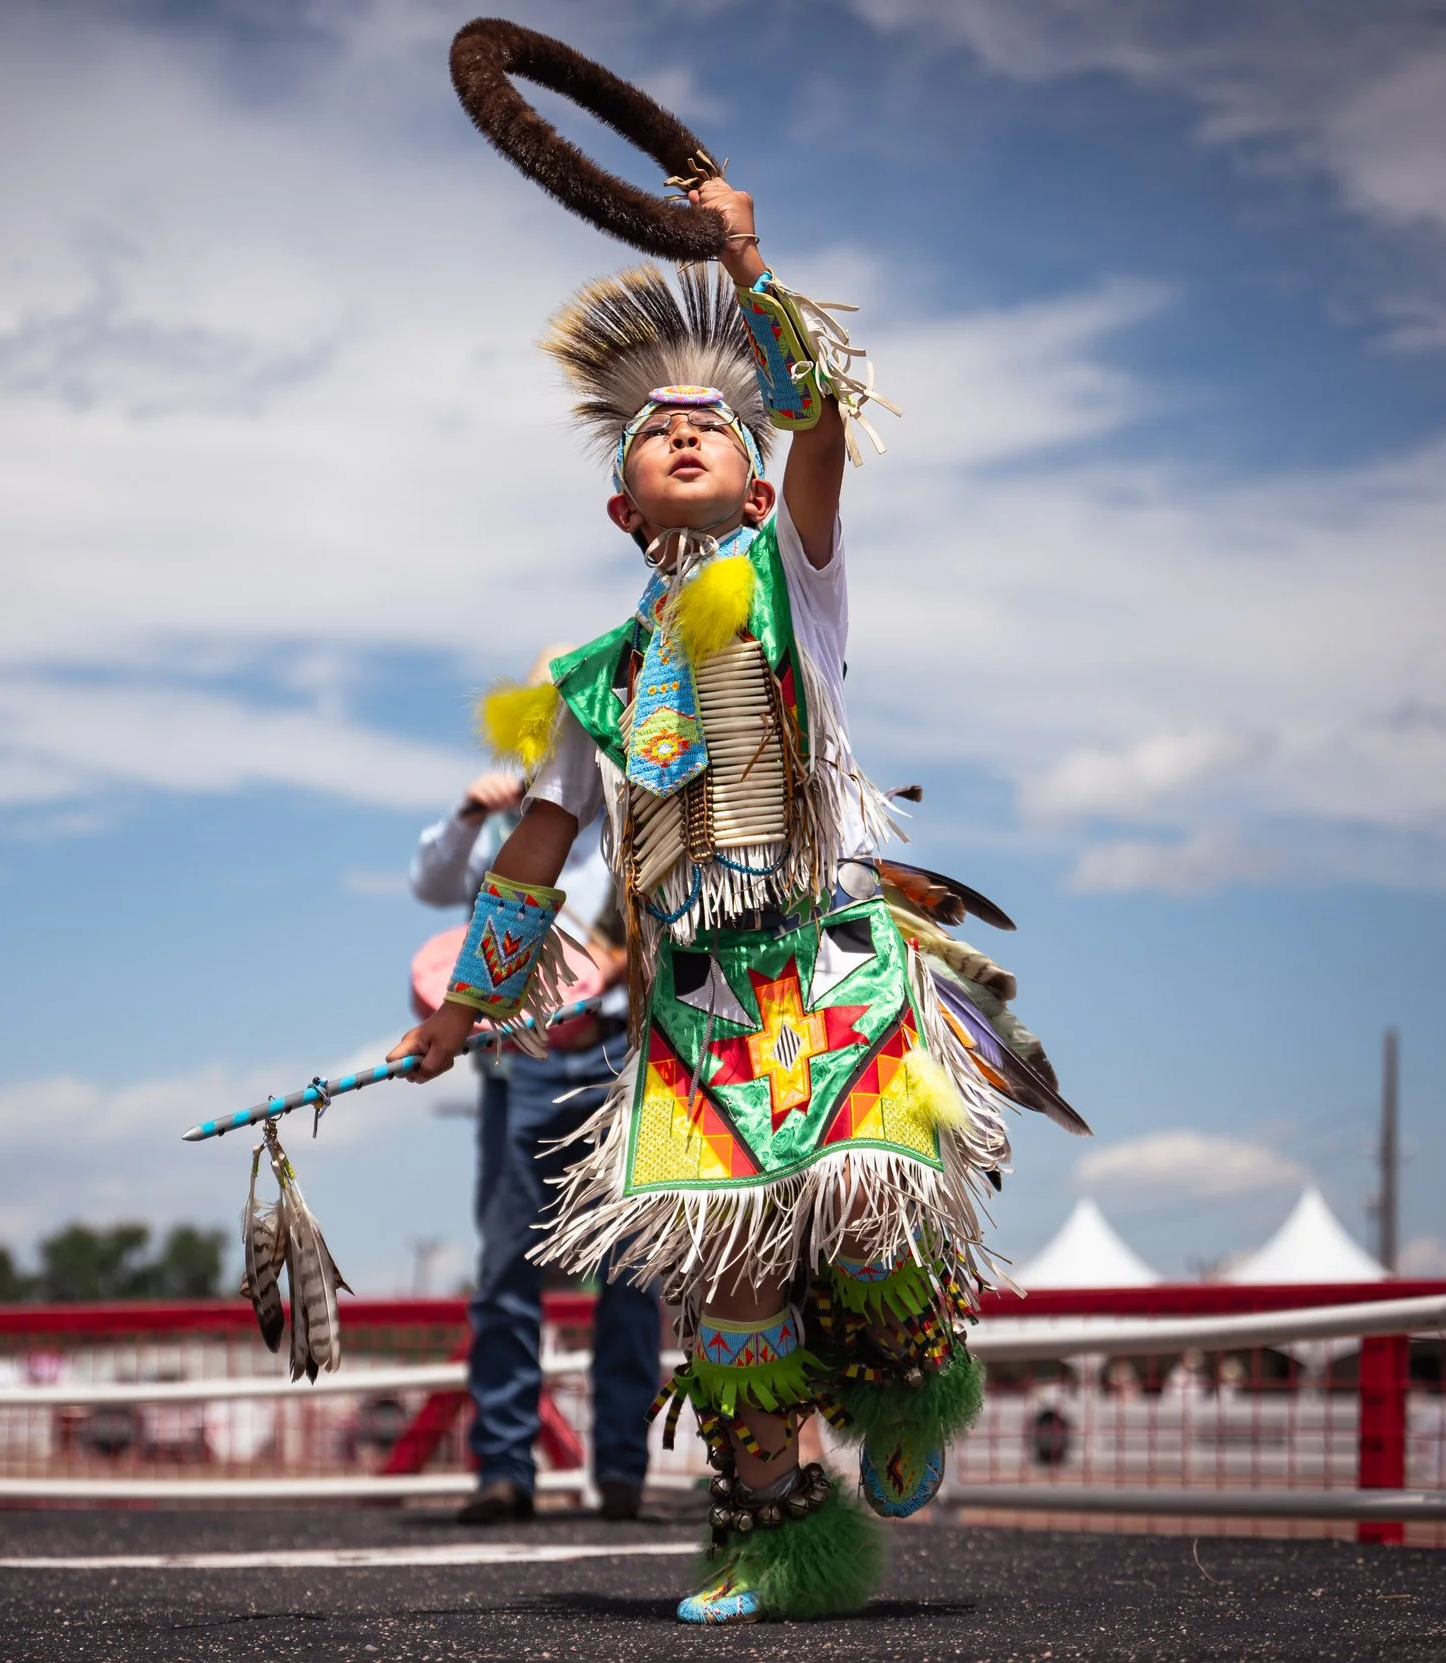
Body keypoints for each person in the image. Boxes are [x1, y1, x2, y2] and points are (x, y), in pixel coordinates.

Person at [390, 174, 1077, 1623]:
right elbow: (533, 850)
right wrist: (462, 1010)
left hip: (826, 967)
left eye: (714, 422)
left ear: (760, 486)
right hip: (694, 1007)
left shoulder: (796, 579)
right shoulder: (589, 681)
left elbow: (821, 407)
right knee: (735, 1292)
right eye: (655, 429)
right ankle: (775, 1536)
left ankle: (908, 1385)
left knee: (874, 1227)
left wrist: (745, 258)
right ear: (619, 495)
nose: (687, 428)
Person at [410, 712, 664, 1524]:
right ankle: (505, 1469)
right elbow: (432, 884)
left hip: (616, 1049)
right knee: (507, 1270)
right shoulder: (513, 825)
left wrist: (625, 957)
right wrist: (470, 814)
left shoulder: (643, 821)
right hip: (519, 1057)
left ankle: (620, 1469)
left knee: (631, 1270)